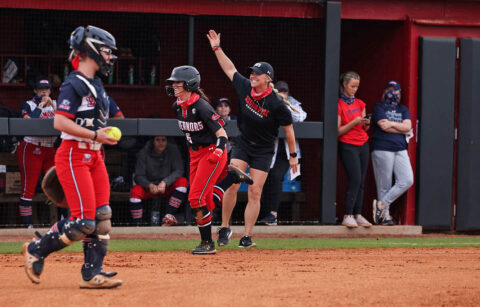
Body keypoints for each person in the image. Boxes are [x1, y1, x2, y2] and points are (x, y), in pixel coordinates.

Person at [22, 25, 122, 289]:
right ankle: (36, 249)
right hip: (74, 155)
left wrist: (100, 138)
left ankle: (92, 274)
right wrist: (95, 135)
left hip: (94, 156)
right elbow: (60, 123)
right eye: (105, 51)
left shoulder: (98, 84)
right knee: (82, 222)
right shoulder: (73, 83)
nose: (109, 56)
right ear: (89, 51)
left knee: (102, 217)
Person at [207, 30, 298, 248]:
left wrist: (293, 157)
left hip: (265, 150)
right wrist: (217, 48)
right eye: (251, 73)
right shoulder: (245, 87)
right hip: (244, 144)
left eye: (257, 74)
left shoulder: (277, 104)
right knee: (232, 184)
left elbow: (289, 131)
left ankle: (247, 236)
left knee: (255, 191)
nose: (252, 76)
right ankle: (225, 227)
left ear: (268, 78)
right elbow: (229, 68)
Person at [165, 65, 230, 254]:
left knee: (195, 198)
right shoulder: (177, 105)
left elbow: (222, 133)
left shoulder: (201, 106)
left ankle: (207, 244)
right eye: (174, 82)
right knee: (206, 200)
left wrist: (219, 150)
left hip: (211, 152)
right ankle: (231, 179)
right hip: (195, 154)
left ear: (190, 84)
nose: (174, 85)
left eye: (178, 82)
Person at [259, 81, 307, 225]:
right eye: (279, 91)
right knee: (266, 181)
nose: (281, 94)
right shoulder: (266, 103)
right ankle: (265, 214)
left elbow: (300, 117)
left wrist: (284, 104)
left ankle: (273, 214)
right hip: (268, 150)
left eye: (284, 92)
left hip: (287, 153)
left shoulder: (292, 104)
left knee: (276, 176)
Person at [371, 81, 414, 225]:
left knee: (407, 179)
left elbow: (408, 127)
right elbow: (383, 126)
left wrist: (392, 124)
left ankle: (381, 205)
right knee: (385, 184)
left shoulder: (402, 109)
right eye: (390, 90)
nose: (393, 93)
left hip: (400, 148)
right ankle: (385, 216)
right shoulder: (379, 107)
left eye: (396, 90)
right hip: (383, 147)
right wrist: (400, 128)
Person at [17, 78, 57, 228]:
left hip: (50, 148)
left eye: (46, 89)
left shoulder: (57, 105)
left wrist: (53, 106)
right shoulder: (29, 104)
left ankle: (64, 224)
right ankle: (28, 228)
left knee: (57, 185)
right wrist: (40, 107)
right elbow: (29, 124)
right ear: (35, 91)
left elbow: (67, 121)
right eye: (41, 89)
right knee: (29, 188)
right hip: (32, 146)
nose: (44, 92)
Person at [337, 71, 372, 228]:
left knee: (362, 180)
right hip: (347, 144)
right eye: (352, 86)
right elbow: (338, 131)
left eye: (357, 86)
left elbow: (364, 128)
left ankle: (357, 214)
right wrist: (353, 122)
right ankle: (348, 214)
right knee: (355, 178)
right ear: (344, 85)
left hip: (362, 143)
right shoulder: (339, 104)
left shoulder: (360, 103)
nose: (355, 89)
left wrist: (366, 123)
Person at [129, 135, 188, 226]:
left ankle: (168, 217)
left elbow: (179, 170)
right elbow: (138, 176)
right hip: (150, 188)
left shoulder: (173, 150)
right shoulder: (144, 152)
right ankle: (138, 225)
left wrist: (165, 182)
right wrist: (149, 185)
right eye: (158, 140)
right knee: (135, 191)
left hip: (166, 187)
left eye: (163, 140)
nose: (161, 143)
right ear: (153, 141)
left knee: (182, 182)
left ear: (167, 141)